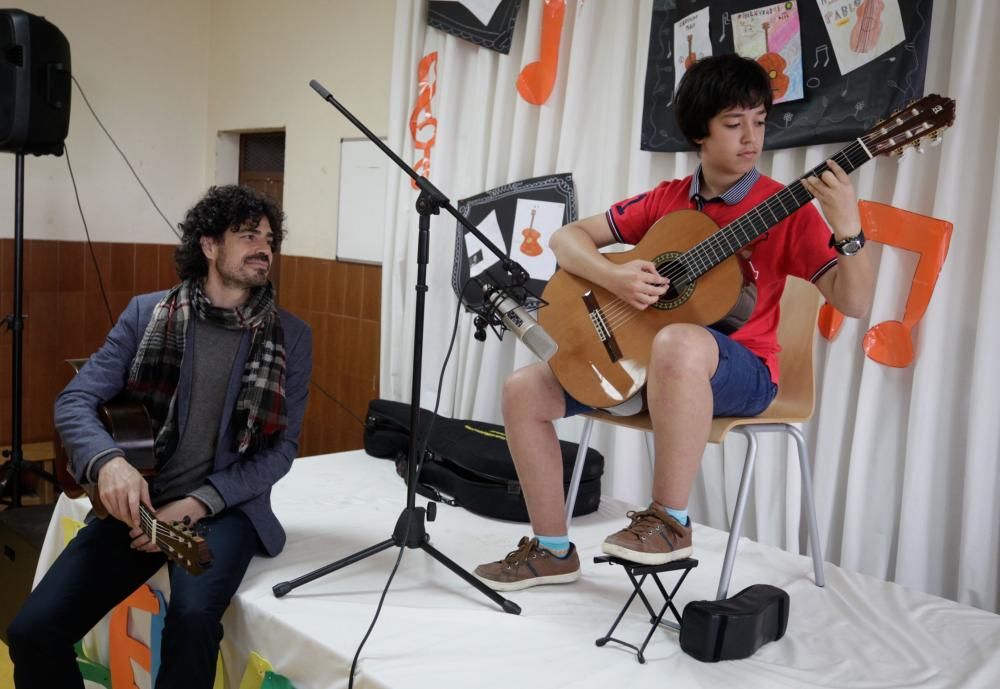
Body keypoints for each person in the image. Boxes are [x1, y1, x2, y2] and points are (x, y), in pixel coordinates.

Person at [473, 54, 875, 591]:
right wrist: (612, 279)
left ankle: (669, 521)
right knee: (523, 389)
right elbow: (566, 239)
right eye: (734, 124)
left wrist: (847, 226)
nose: (751, 137)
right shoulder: (666, 202)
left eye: (758, 120)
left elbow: (856, 302)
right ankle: (551, 549)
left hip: (745, 372)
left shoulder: (785, 208)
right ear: (698, 134)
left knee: (678, 341)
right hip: (649, 367)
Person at [7, 185, 312, 688]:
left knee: (193, 621)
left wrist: (198, 502)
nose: (264, 247)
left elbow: (282, 450)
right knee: (32, 631)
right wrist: (108, 462)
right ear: (209, 246)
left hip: (227, 508)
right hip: (140, 502)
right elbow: (74, 401)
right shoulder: (146, 314)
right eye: (247, 235)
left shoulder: (291, 336)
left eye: (269, 237)